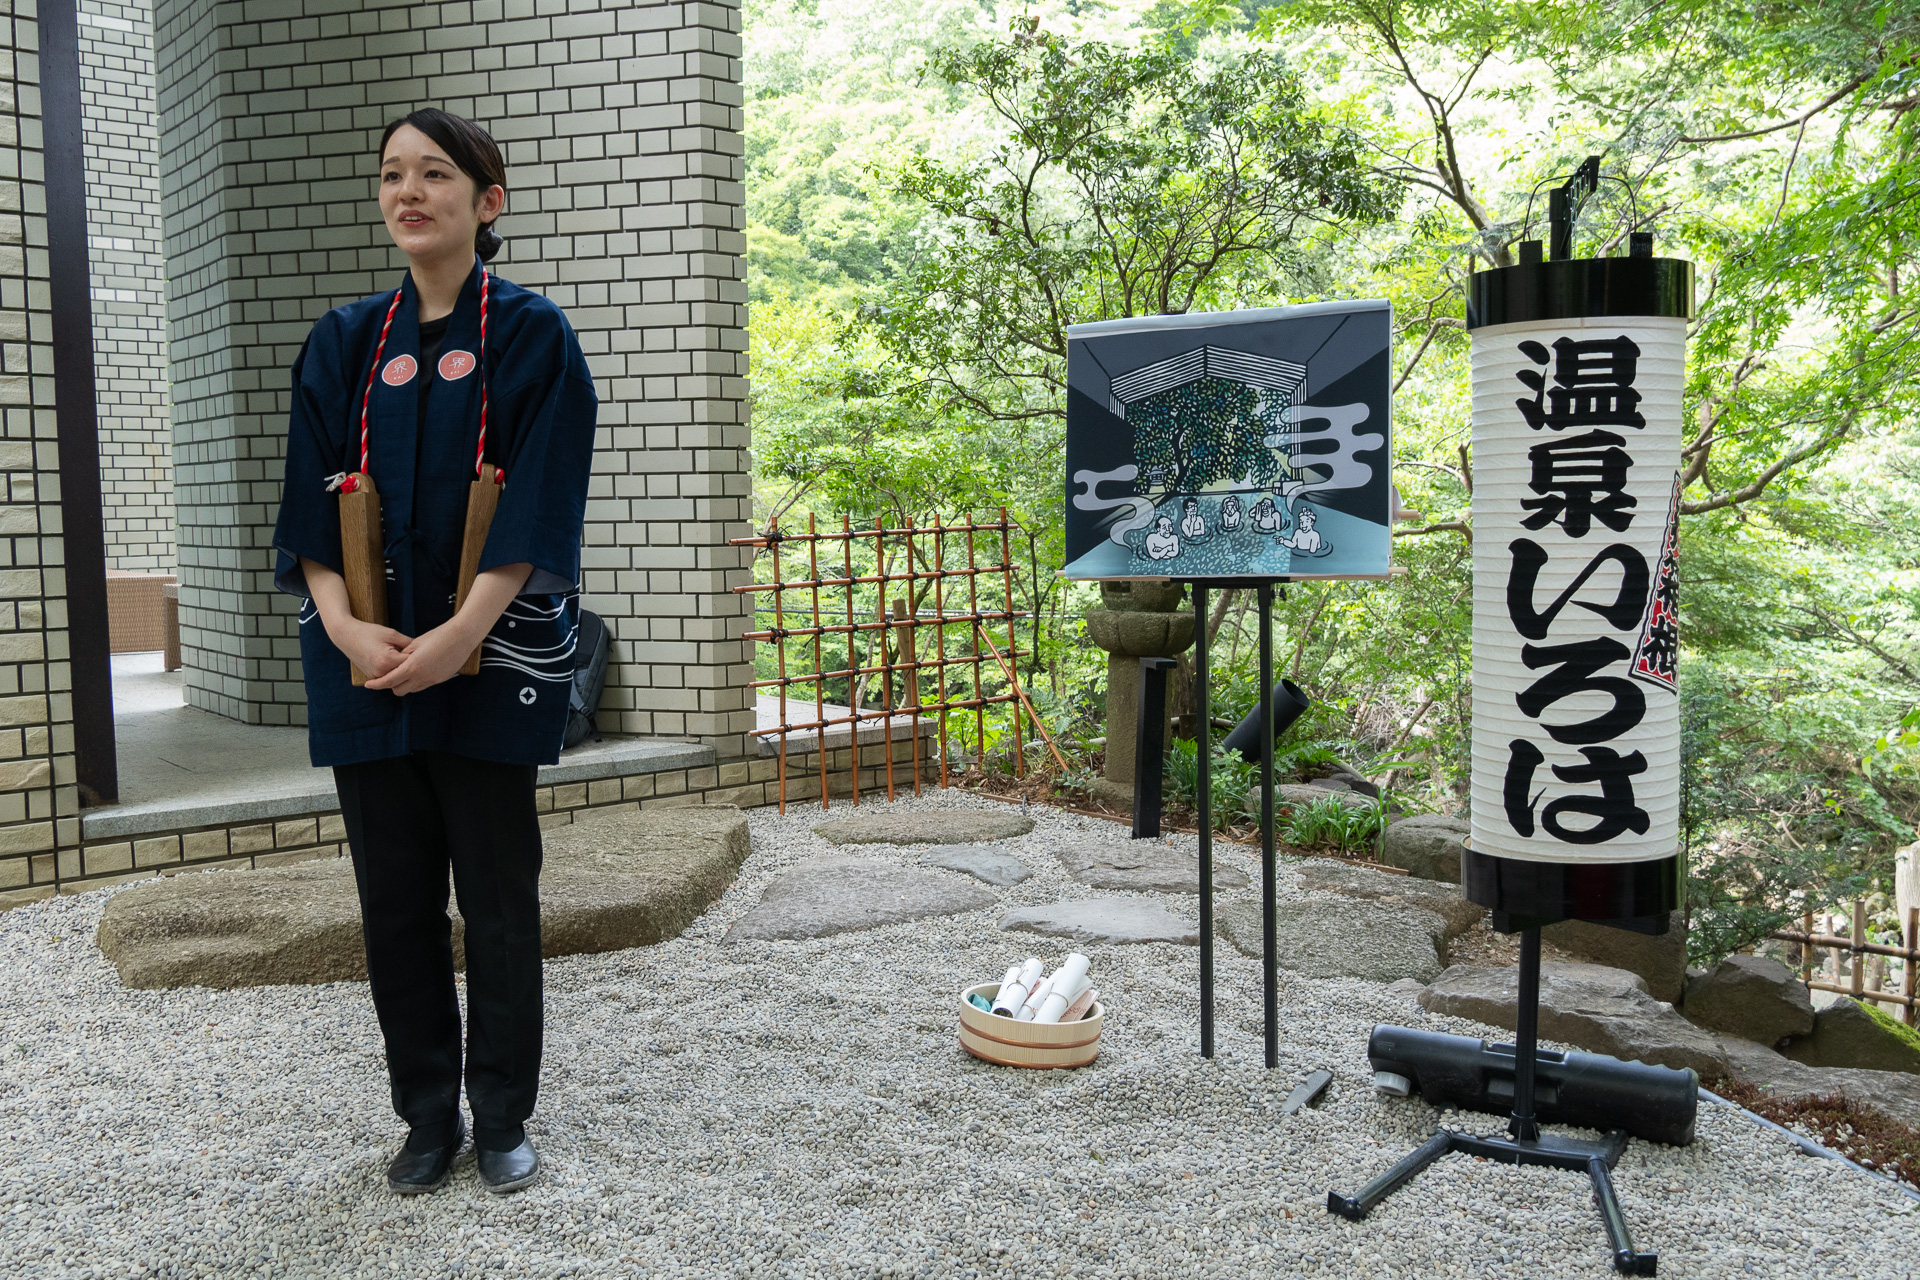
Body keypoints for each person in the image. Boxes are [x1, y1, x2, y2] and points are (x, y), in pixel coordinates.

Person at [271, 109, 598, 1197]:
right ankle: (425, 1115)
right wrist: (351, 624)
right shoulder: (343, 340)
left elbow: (538, 504)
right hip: (366, 663)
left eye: (436, 175)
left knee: (498, 895)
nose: (409, 192)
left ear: (486, 201)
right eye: (393, 176)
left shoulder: (532, 336)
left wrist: (461, 633)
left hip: (487, 662)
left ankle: (501, 1113)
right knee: (395, 899)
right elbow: (308, 504)